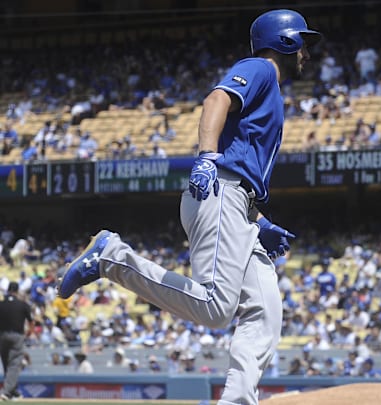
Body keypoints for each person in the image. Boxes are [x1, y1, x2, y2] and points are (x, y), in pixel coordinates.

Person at [56, 9, 321, 405]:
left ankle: (235, 400)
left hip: (239, 204)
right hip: (219, 191)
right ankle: (111, 257)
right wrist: (205, 157)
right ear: (285, 41)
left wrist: (259, 219)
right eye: (303, 42)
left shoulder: (272, 87)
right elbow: (217, 98)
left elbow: (243, 158)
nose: (307, 53)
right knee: (215, 309)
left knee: (265, 312)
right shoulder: (261, 69)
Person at [0, 282, 32, 401]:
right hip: (17, 335)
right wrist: (29, 332)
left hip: (2, 335)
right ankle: (6, 392)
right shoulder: (22, 304)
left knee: (6, 364)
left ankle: (13, 391)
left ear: (8, 290)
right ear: (17, 291)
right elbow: (31, 321)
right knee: (14, 364)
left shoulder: (1, 304)